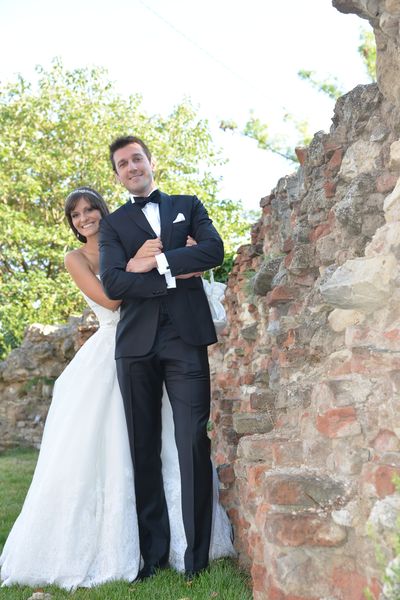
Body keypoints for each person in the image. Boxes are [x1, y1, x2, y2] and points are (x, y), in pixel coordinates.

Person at [0, 187, 234, 590]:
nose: (85, 218)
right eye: (76, 215)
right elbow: (111, 297)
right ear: (71, 224)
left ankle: (186, 546)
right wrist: (155, 266)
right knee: (116, 451)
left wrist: (151, 263)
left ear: (103, 211)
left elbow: (167, 266)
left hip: (158, 339)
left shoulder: (122, 235)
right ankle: (120, 544)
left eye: (91, 209)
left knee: (175, 443)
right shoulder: (76, 258)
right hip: (113, 353)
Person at [99, 135, 224, 580]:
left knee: (192, 441)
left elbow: (213, 251)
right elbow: (113, 283)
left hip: (185, 339)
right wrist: (179, 264)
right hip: (135, 346)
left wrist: (153, 262)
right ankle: (152, 557)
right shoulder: (113, 225)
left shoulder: (188, 204)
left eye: (137, 159)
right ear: (118, 175)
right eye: (123, 164)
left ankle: (196, 561)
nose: (132, 167)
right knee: (143, 448)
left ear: (151, 162)